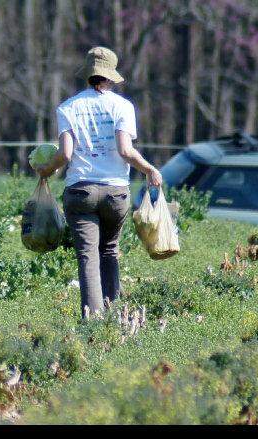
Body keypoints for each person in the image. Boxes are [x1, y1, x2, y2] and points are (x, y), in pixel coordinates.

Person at [36, 46, 163, 318]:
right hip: (115, 192)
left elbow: (65, 154)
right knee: (109, 250)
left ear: (88, 74)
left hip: (80, 191)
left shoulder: (68, 107)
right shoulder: (123, 107)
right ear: (110, 76)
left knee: (87, 255)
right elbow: (125, 151)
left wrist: (46, 170)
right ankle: (114, 314)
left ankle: (92, 320)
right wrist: (149, 169)